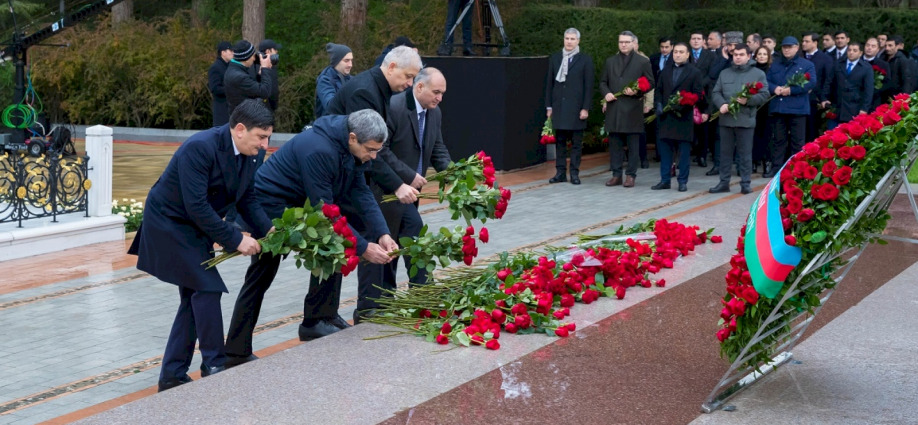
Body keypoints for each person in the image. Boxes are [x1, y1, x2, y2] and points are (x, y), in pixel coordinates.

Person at [224, 110, 398, 364]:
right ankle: (235, 351)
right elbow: (324, 211)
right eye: (370, 150)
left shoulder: (350, 147)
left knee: (333, 248)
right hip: (267, 208)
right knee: (261, 276)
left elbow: (360, 190)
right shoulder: (320, 150)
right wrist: (363, 248)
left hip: (298, 206)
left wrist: (382, 232)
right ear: (352, 138)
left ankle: (320, 318)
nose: (373, 156)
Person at [128, 99, 275, 391]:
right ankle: (214, 365)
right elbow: (196, 205)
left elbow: (247, 198)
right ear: (241, 129)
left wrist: (269, 230)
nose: (265, 145)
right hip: (169, 222)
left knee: (194, 295)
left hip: (195, 227)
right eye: (262, 136)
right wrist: (235, 239)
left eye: (268, 137)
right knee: (207, 289)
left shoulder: (250, 154)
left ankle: (172, 375)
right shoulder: (201, 146)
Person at [317, 46, 422, 338]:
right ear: (390, 67)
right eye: (407, 76)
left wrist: (402, 179)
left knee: (384, 230)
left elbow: (376, 149)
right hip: (338, 172)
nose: (409, 84)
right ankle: (341, 312)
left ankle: (342, 310)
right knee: (343, 238)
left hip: (354, 171)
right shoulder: (364, 91)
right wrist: (399, 183)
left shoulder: (380, 89)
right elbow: (369, 147)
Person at [353, 68, 453, 322]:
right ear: (419, 87)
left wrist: (453, 174)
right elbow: (380, 150)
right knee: (388, 244)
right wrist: (405, 177)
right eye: (436, 92)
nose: (440, 98)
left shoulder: (435, 112)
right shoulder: (395, 107)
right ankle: (370, 307)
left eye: (442, 93)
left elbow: (437, 146)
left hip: (408, 195)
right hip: (385, 190)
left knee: (403, 242)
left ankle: (415, 295)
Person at [709, 44, 769, 195]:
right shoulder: (725, 73)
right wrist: (721, 103)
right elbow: (716, 92)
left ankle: (745, 183)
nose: (737, 57)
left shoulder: (758, 74)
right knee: (725, 153)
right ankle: (724, 182)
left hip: (745, 120)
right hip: (726, 119)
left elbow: (764, 94)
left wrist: (748, 100)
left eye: (741, 54)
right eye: (735, 54)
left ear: (749, 56)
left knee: (745, 154)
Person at [600, 31, 654, 188]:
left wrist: (638, 91)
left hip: (632, 107)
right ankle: (616, 174)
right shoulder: (610, 61)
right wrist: (607, 93)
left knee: (633, 144)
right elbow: (603, 82)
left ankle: (631, 175)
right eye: (621, 42)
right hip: (614, 107)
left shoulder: (642, 61)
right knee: (615, 143)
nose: (623, 44)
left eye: (626, 42)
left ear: (633, 43)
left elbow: (650, 82)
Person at [651, 42, 704, 192]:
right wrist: (659, 105)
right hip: (666, 117)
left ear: (687, 54)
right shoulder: (665, 71)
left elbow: (698, 94)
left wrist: (684, 103)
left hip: (683, 117)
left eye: (681, 52)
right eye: (675, 52)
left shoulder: (694, 72)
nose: (678, 54)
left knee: (684, 153)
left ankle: (682, 181)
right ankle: (665, 180)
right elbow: (658, 91)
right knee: (665, 151)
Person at [545, 28, 594, 185]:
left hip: (576, 108)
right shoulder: (555, 58)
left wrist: (585, 108)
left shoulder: (585, 60)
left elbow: (589, 86)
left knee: (576, 144)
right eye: (567, 38)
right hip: (559, 107)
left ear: (578, 41)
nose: (569, 41)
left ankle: (574, 173)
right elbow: (549, 84)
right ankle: (560, 172)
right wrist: (549, 107)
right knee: (560, 142)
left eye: (573, 39)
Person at [766, 36, 816, 175]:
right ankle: (776, 168)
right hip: (779, 108)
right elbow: (767, 81)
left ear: (796, 47)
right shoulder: (776, 64)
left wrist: (791, 90)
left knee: (797, 142)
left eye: (790, 47)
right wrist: (774, 88)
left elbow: (811, 82)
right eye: (784, 47)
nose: (787, 49)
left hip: (797, 108)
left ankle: (797, 169)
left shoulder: (806, 64)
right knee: (778, 140)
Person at [705, 31, 744, 177]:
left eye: (734, 45)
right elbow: (712, 75)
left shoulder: (743, 59)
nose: (732, 48)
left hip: (740, 103)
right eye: (729, 45)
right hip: (721, 104)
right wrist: (724, 59)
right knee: (718, 137)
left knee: (740, 137)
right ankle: (718, 164)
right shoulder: (719, 58)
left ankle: (740, 166)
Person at [822, 42, 873, 127]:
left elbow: (869, 90)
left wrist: (864, 108)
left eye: (855, 50)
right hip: (837, 106)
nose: (851, 52)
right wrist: (824, 98)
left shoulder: (866, 68)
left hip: (854, 108)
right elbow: (829, 82)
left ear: (860, 53)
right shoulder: (838, 64)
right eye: (849, 50)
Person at [799, 32, 836, 146]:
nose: (803, 44)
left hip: (815, 101)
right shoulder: (799, 56)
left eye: (807, 41)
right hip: (799, 99)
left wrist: (823, 98)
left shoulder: (825, 58)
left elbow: (827, 80)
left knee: (812, 130)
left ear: (815, 43)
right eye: (803, 41)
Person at [224, 40, 276, 117]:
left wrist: (261, 74)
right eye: (253, 56)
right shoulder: (239, 76)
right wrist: (265, 69)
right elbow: (265, 92)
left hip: (242, 116)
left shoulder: (235, 69)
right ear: (246, 58)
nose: (254, 59)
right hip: (244, 120)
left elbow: (253, 89)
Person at [690, 31, 717, 169]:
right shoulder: (685, 54)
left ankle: (702, 156)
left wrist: (698, 84)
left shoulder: (710, 56)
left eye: (698, 39)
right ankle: (690, 154)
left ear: (703, 41)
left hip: (704, 94)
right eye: (693, 39)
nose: (695, 41)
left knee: (703, 128)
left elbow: (712, 75)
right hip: (687, 94)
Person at [315, 43, 353, 119]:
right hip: (328, 127)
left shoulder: (352, 80)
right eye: (346, 61)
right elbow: (331, 107)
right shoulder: (325, 80)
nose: (350, 65)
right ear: (336, 61)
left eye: (351, 60)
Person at [752, 46, 772, 175]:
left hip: (768, 105)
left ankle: (767, 162)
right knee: (754, 134)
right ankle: (754, 161)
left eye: (765, 54)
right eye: (760, 54)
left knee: (767, 135)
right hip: (754, 104)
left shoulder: (772, 70)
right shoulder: (752, 70)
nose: (762, 56)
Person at [208, 41, 233, 127]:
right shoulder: (215, 67)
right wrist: (232, 90)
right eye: (230, 51)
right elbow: (214, 88)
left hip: (232, 108)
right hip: (222, 109)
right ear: (223, 52)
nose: (233, 53)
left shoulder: (231, 66)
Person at [863, 38, 891, 108]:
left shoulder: (883, 65)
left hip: (874, 100)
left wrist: (874, 90)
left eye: (873, 46)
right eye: (868, 45)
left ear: (878, 49)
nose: (869, 48)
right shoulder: (856, 61)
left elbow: (887, 83)